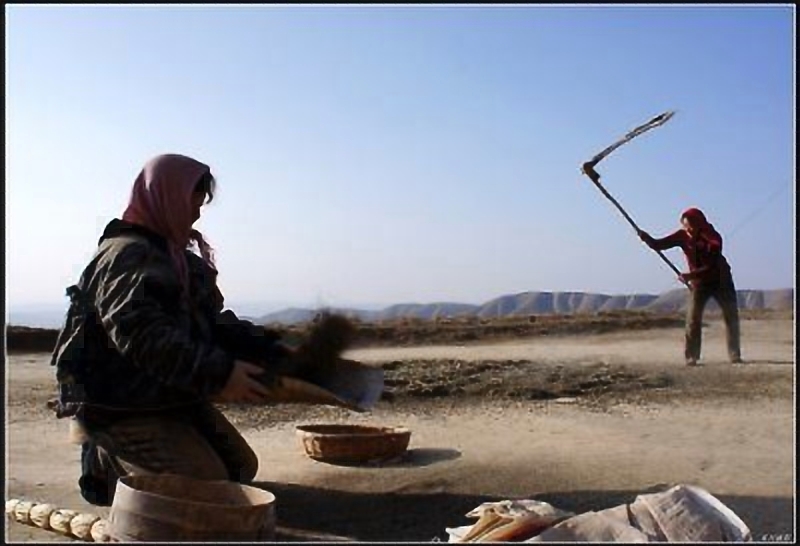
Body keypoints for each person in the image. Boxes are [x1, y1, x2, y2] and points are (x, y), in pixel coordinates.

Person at [50, 153, 299, 506]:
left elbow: (211, 324)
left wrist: (272, 346)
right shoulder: (128, 255)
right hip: (120, 403)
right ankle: (104, 459)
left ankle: (143, 452)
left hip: (163, 394)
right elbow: (142, 337)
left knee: (241, 469)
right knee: (208, 490)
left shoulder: (175, 258)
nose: (197, 212)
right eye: (193, 201)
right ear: (166, 196)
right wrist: (220, 374)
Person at [638, 207, 742, 367]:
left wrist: (689, 276)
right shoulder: (682, 235)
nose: (689, 231)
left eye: (691, 228)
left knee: (731, 317)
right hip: (699, 284)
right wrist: (647, 238)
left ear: (700, 225)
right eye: (686, 227)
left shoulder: (713, 238)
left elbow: (712, 266)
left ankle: (734, 354)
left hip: (721, 280)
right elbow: (660, 245)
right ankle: (691, 356)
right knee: (693, 319)